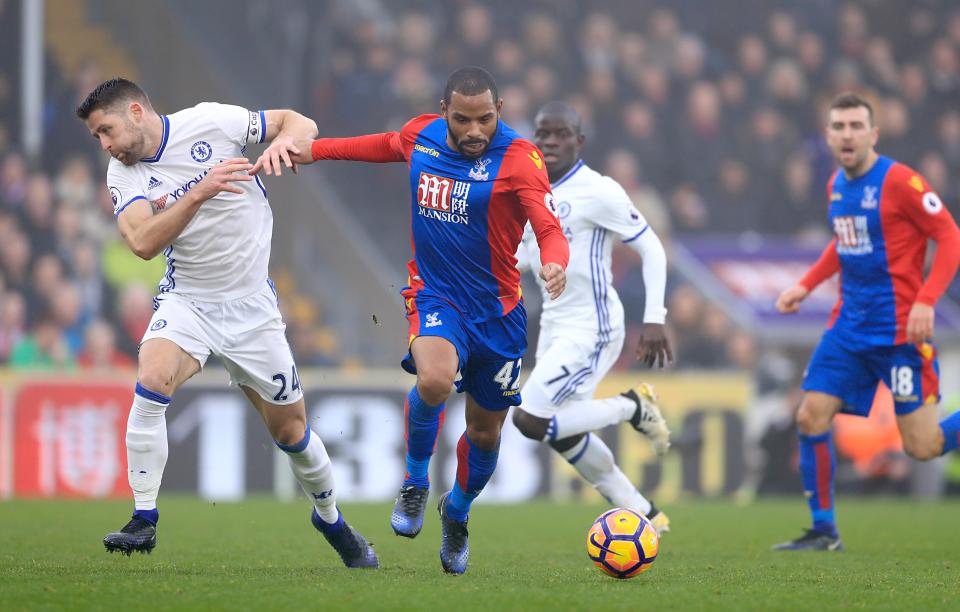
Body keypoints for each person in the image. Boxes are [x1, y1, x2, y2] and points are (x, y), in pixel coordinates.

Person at [263, 66, 569, 574]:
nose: (475, 131)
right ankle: (415, 482)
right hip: (436, 295)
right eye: (463, 120)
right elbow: (382, 145)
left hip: (498, 314)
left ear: (500, 113)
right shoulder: (422, 135)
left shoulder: (519, 158)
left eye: (486, 120)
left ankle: (458, 511)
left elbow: (548, 225)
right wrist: (314, 150)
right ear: (444, 111)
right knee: (433, 379)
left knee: (486, 432)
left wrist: (555, 259)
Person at [76, 78, 378, 568]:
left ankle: (330, 518)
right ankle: (143, 519)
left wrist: (283, 139)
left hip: (252, 308)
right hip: (188, 300)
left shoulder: (211, 121)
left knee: (293, 434)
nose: (106, 145)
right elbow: (142, 242)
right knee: (152, 378)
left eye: (106, 130)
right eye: (97, 138)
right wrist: (199, 192)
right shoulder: (122, 174)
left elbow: (297, 122)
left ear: (135, 111)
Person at [772, 93, 960, 551]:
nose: (847, 134)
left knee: (923, 447)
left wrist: (926, 301)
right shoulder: (836, 184)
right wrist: (807, 284)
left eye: (857, 125)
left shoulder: (901, 182)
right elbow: (843, 242)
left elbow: (950, 236)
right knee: (810, 415)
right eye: (839, 126)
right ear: (828, 135)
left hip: (900, 336)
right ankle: (824, 530)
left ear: (874, 134)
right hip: (848, 331)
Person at [511, 102, 672, 533]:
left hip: (593, 326)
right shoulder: (530, 192)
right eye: (542, 134)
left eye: (560, 134)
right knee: (563, 434)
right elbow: (522, 258)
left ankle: (632, 406)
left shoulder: (599, 191)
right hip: (554, 325)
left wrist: (655, 316)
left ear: (579, 142)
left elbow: (651, 246)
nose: (548, 142)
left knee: (528, 418)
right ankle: (644, 513)